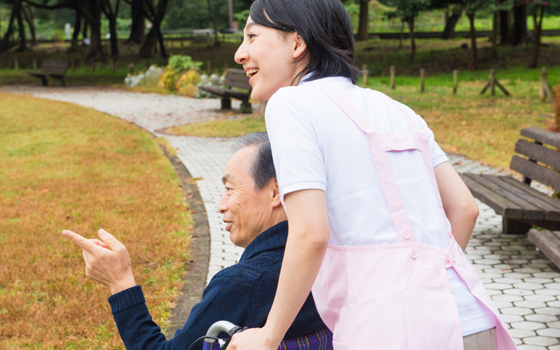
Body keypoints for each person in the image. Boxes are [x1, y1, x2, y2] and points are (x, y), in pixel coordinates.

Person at [228, 1, 517, 350]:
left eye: (252, 36)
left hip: (395, 332)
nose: (239, 54)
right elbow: (464, 208)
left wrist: (268, 335)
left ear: (296, 43)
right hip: (471, 318)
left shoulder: (291, 103)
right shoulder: (396, 108)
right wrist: (425, 281)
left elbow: (309, 233)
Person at [61, 132, 332, 350]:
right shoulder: (334, 257)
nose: (221, 205)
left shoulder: (243, 284)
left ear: (275, 193)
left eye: (229, 189)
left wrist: (120, 281)